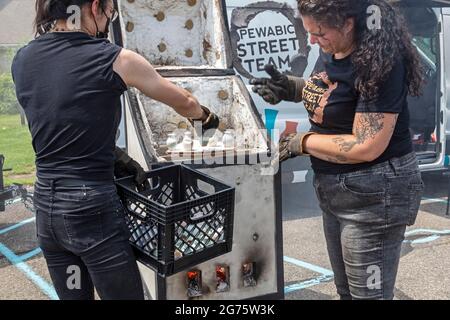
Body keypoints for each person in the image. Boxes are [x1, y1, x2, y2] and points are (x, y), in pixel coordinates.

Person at [12, 0, 219, 300]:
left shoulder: (22, 59)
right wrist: (207, 121)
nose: (109, 22)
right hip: (90, 208)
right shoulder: (113, 59)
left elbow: (60, 116)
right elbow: (184, 101)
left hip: (46, 206)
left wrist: (112, 155)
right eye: (110, 14)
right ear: (96, 7)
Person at [251, 0, 425, 300]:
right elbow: (336, 91)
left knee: (367, 297)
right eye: (309, 32)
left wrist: (301, 142)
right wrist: (291, 87)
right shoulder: (332, 48)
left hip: (375, 195)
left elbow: (366, 144)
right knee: (346, 291)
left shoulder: (381, 62)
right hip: (335, 190)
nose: (312, 40)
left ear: (348, 23)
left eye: (319, 32)